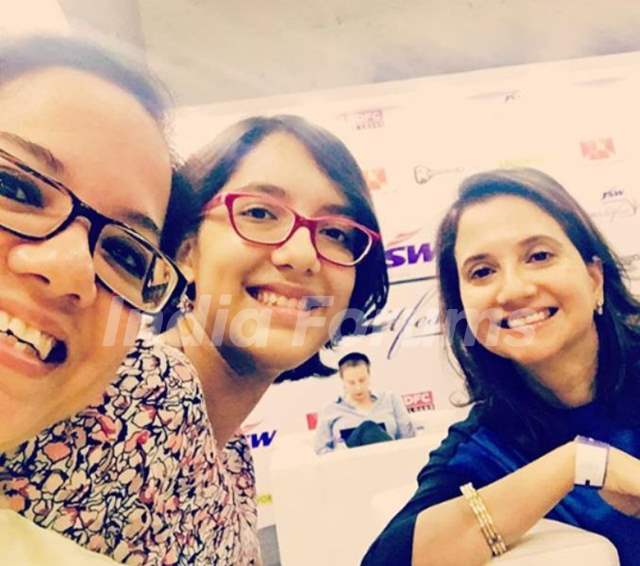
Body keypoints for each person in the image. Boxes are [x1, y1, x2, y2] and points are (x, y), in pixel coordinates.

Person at [0, 35, 258, 565]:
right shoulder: (149, 387)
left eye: (127, 254)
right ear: (189, 257)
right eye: (16, 187)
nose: (71, 269)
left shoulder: (234, 457)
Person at [363, 168, 640, 566]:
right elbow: (388, 560)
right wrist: (579, 463)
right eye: (482, 272)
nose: (512, 290)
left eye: (539, 256)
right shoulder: (485, 446)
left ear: (594, 279)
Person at [160, 114, 390, 449]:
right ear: (186, 250)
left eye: (335, 232)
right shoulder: (120, 400)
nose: (301, 255)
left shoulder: (231, 451)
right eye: (259, 213)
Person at [314, 352, 416, 454]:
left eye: (362, 380)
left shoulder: (389, 399)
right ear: (343, 381)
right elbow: (321, 450)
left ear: (369, 375)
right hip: (350, 466)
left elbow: (408, 438)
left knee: (369, 428)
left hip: (391, 460)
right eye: (351, 383)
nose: (358, 387)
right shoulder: (330, 409)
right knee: (367, 427)